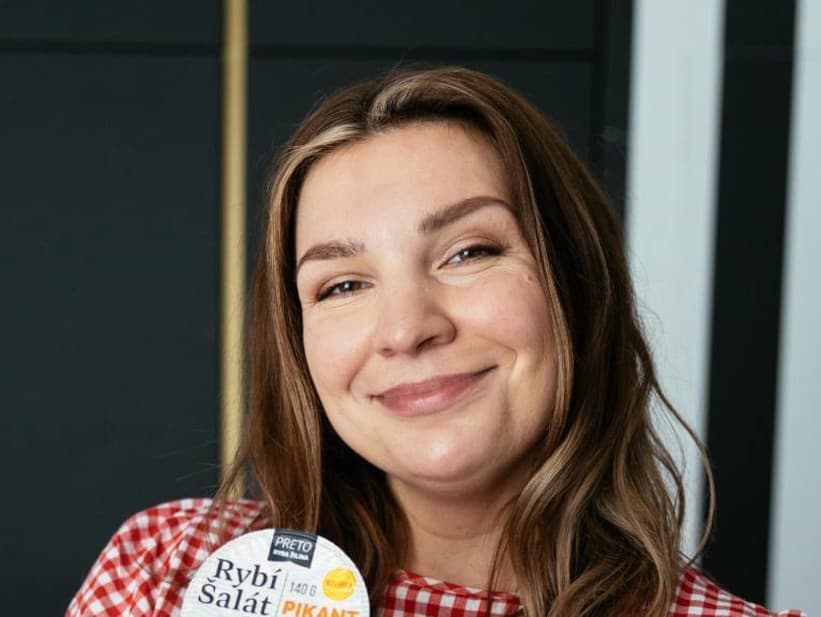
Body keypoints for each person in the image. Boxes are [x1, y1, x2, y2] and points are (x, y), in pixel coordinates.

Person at [67, 67, 805, 617]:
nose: (406, 328)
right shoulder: (169, 572)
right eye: (342, 285)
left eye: (467, 252)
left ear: (577, 284)